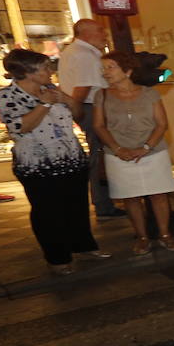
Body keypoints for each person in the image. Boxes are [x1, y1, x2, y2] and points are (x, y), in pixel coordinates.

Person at [0, 49, 112, 274]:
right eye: (45, 68)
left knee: (76, 207)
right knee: (47, 211)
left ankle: (84, 247)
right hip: (37, 164)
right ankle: (57, 258)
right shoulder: (7, 96)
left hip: (71, 158)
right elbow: (21, 127)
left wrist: (66, 99)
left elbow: (79, 115)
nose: (50, 71)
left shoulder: (51, 89)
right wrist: (44, 104)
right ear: (28, 72)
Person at [93, 50, 174, 255]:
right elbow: (99, 126)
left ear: (128, 71)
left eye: (110, 67)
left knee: (158, 194)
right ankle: (142, 237)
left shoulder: (149, 93)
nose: (105, 73)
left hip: (152, 151)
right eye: (103, 68)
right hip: (118, 153)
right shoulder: (102, 95)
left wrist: (146, 147)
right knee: (130, 197)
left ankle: (165, 234)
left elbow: (161, 124)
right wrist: (118, 149)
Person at [57, 18, 124, 217]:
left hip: (86, 107)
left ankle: (105, 200)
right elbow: (82, 88)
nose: (105, 34)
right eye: (100, 30)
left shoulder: (73, 52)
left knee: (100, 153)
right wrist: (76, 112)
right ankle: (103, 204)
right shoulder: (84, 54)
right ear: (85, 34)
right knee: (100, 153)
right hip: (90, 108)